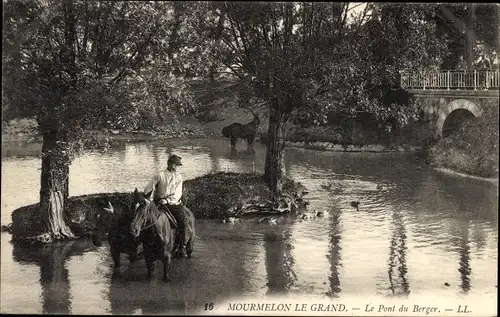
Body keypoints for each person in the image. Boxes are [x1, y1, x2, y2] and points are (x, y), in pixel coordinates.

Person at [144, 153, 189, 258]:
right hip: (158, 202)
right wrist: (146, 198)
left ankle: (182, 246)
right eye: (176, 165)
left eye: (178, 165)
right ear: (171, 164)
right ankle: (144, 246)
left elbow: (178, 193)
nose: (177, 167)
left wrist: (168, 200)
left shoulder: (179, 177)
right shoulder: (159, 175)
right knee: (146, 219)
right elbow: (149, 187)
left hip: (173, 204)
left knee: (182, 222)